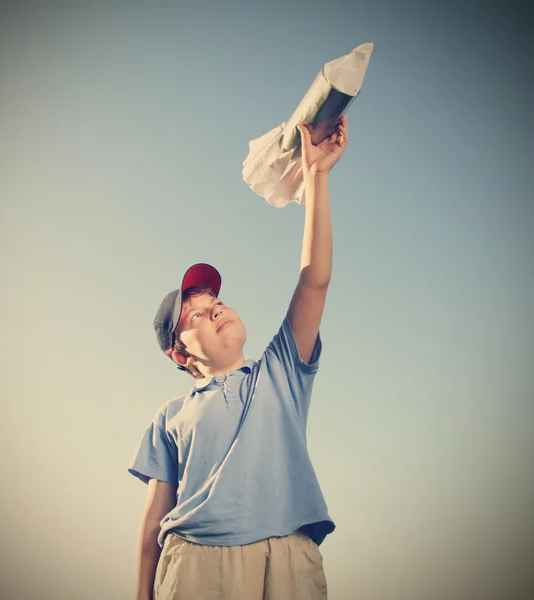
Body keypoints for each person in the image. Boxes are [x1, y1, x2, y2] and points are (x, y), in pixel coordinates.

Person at [128, 116, 349, 600]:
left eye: (216, 302)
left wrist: (316, 177)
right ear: (178, 352)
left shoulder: (281, 371)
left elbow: (315, 279)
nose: (215, 309)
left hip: (289, 554)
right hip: (197, 562)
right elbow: (151, 525)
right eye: (197, 314)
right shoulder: (170, 418)